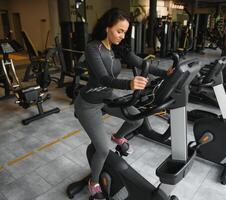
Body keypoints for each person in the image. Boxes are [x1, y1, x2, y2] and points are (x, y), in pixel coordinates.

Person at [74, 8, 173, 200]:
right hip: (88, 103)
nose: (122, 35)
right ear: (107, 28)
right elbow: (103, 78)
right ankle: (93, 182)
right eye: (119, 31)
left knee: (136, 119)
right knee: (102, 149)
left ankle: (118, 137)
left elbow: (143, 64)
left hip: (107, 98)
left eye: (125, 32)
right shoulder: (93, 48)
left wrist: (165, 72)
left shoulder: (117, 48)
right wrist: (129, 84)